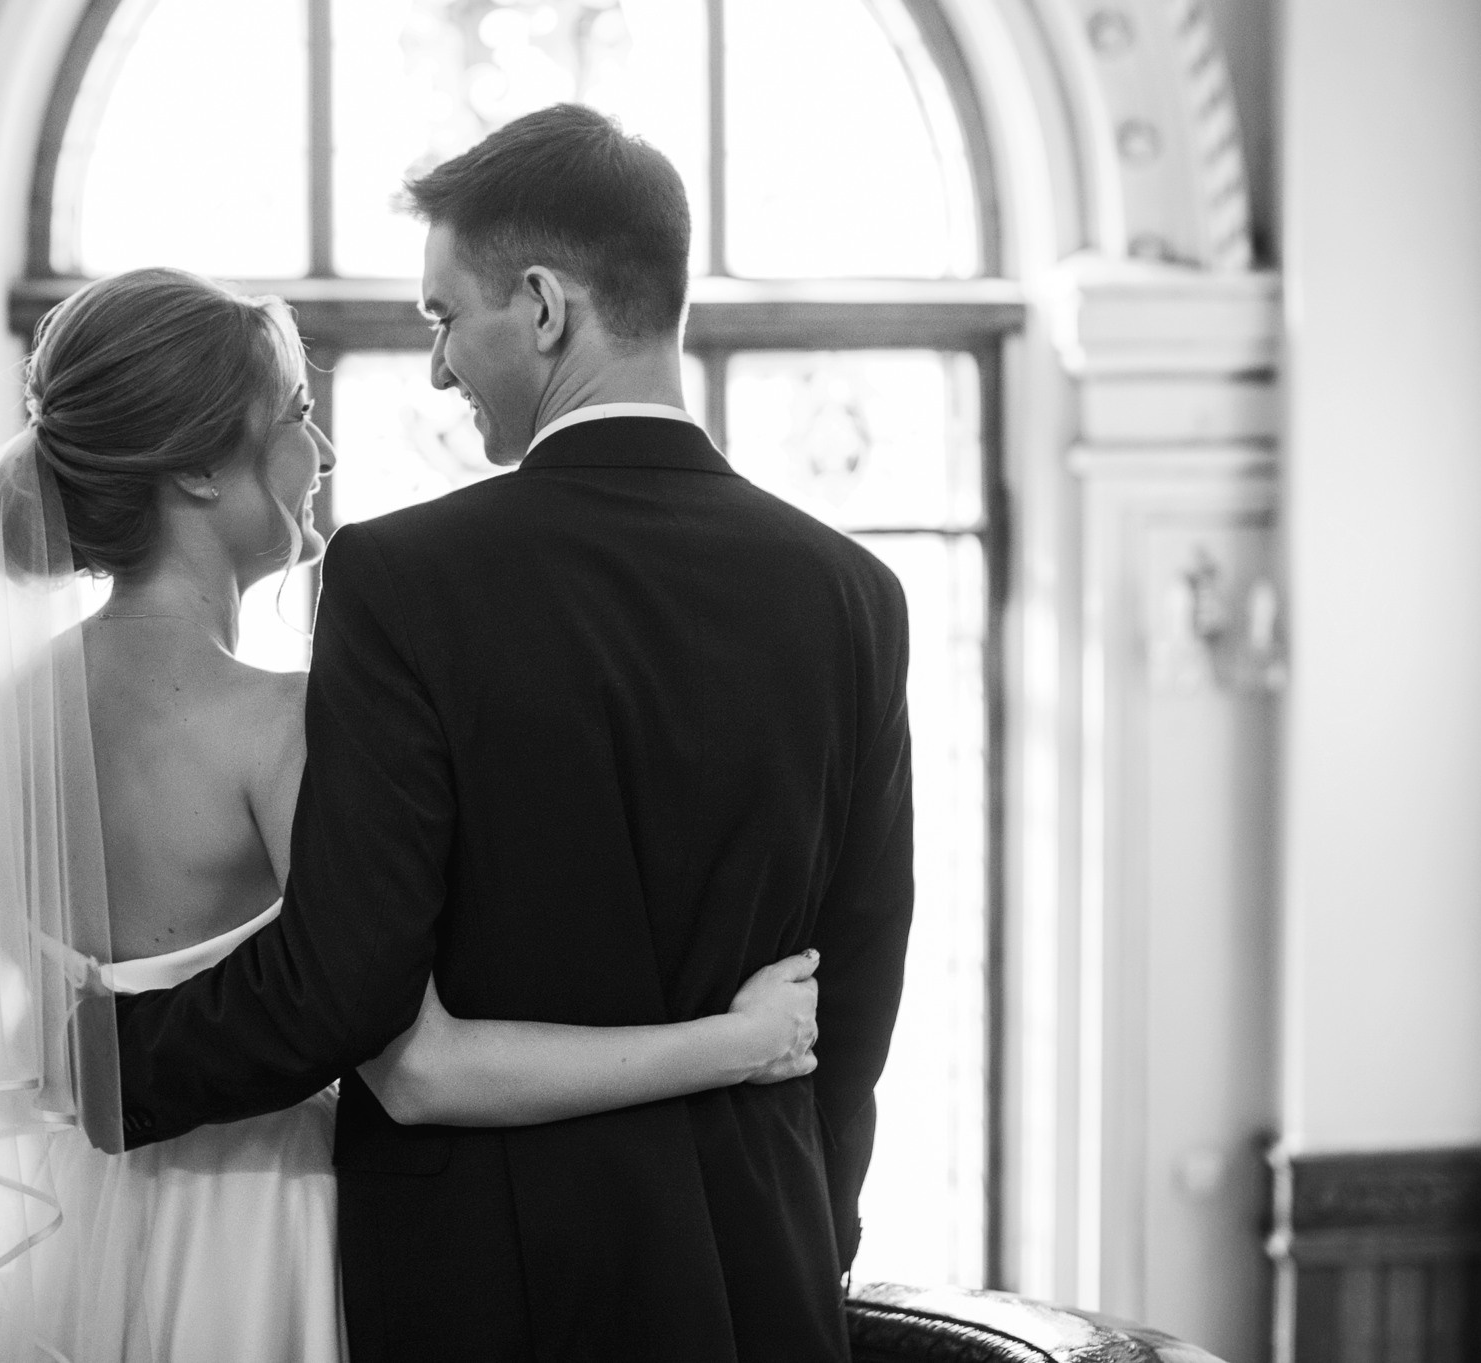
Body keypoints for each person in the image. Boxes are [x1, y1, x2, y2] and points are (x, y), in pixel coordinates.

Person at [0, 262, 828, 1363]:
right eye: (296, 415)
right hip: (254, 1231)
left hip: (59, 1236)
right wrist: (734, 1042)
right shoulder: (284, 728)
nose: (321, 453)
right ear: (193, 468)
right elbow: (421, 1070)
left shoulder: (1, 716)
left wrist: (75, 1057)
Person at [114, 104, 916, 1363]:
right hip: (765, 1275)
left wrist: (98, 1062)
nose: (436, 366)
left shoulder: (405, 580)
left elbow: (345, 982)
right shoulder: (851, 594)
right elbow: (858, 990)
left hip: (487, 1288)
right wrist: (810, 1241)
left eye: (443, 318)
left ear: (542, 307)